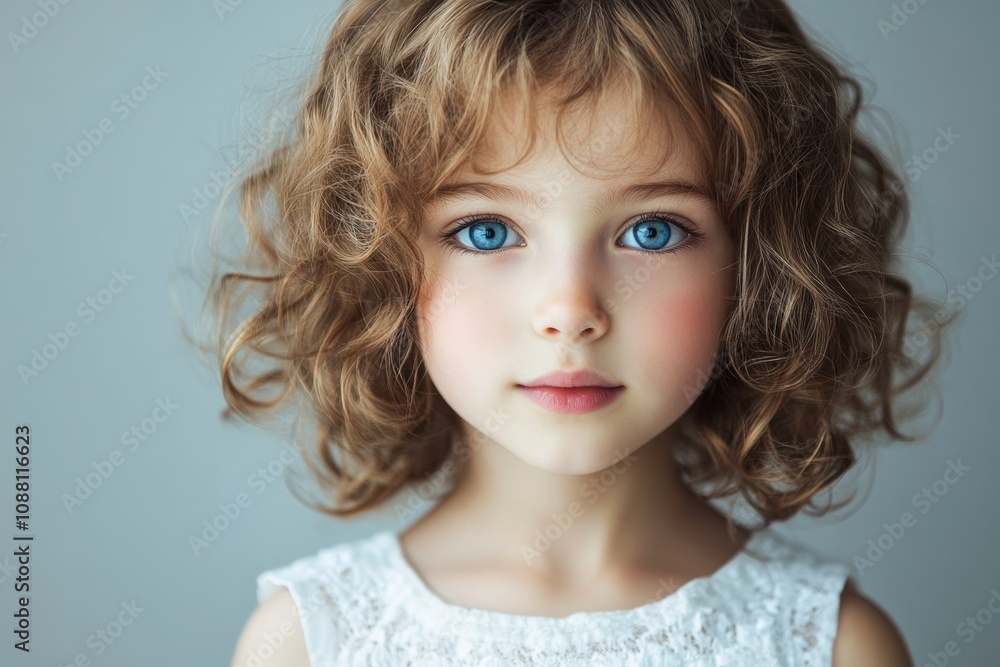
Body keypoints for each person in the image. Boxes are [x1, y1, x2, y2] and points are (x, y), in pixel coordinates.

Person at [212, 0, 949, 664]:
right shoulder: (309, 641)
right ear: (380, 261)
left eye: (652, 231)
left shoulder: (833, 646)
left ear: (758, 267)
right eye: (487, 230)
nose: (570, 309)